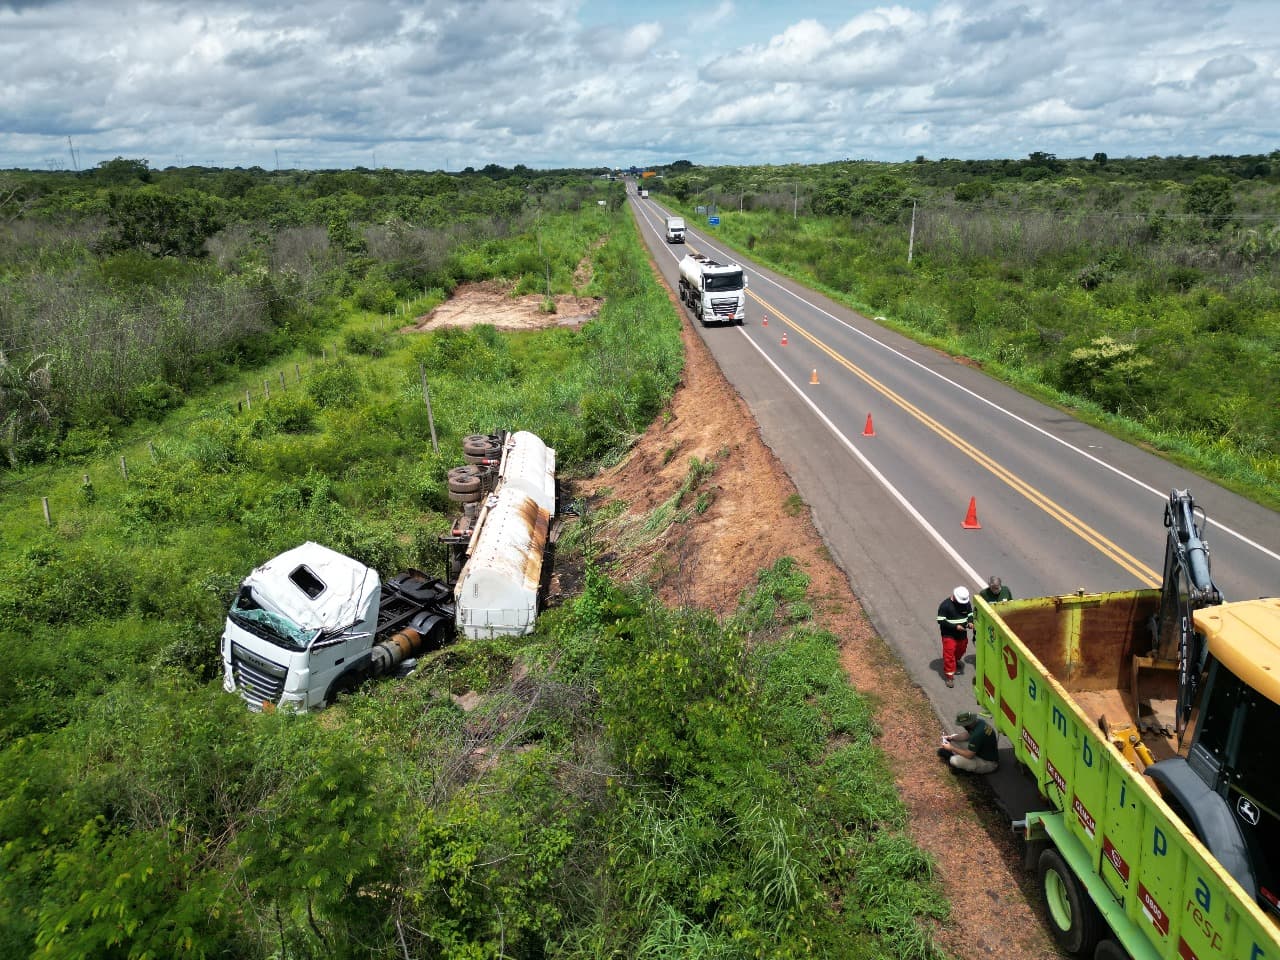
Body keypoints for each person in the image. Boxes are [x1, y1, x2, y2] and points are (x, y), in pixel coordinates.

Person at [936, 585, 973, 687]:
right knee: (949, 653)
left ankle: (955, 661)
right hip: (949, 634)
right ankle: (949, 676)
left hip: (962, 633)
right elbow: (940, 620)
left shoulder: (966, 603)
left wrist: (970, 622)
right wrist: (955, 627)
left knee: (961, 649)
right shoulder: (945, 605)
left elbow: (970, 613)